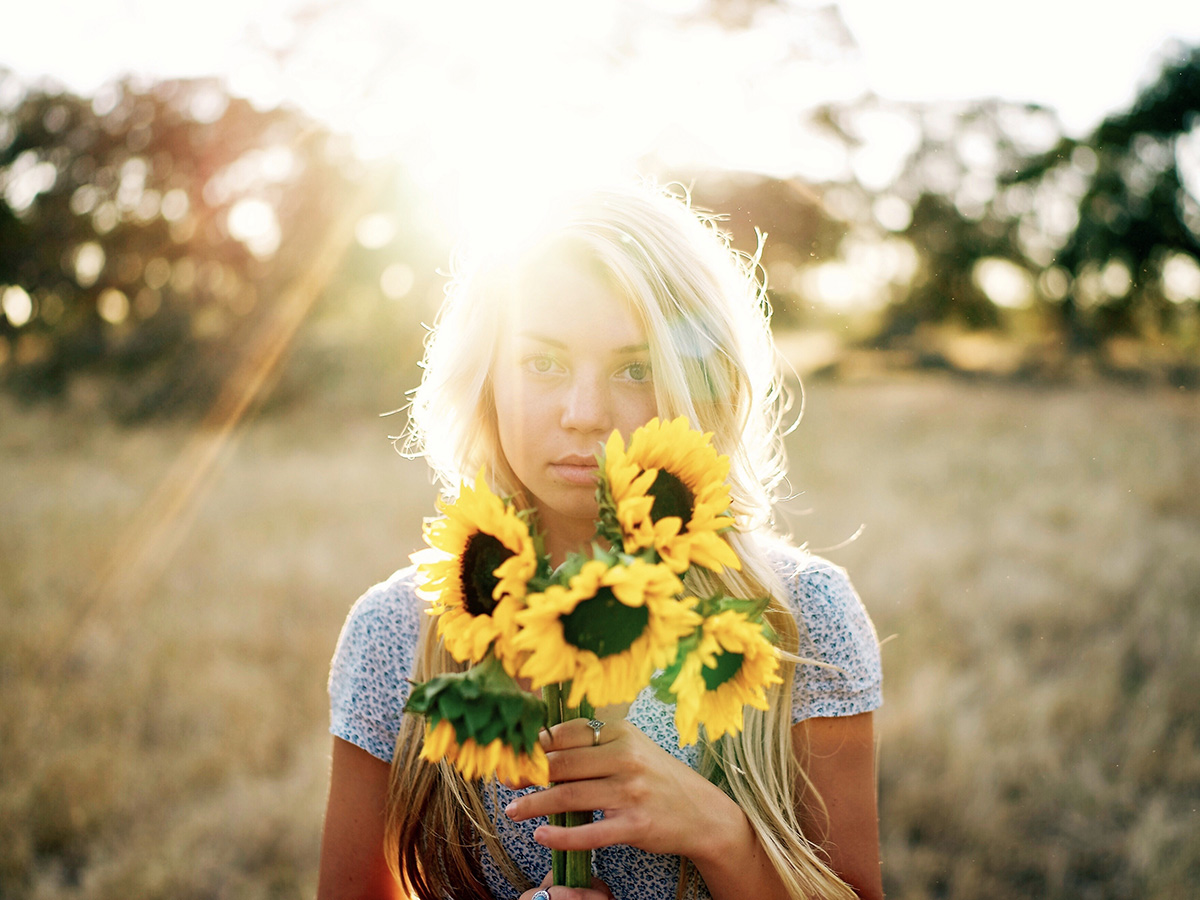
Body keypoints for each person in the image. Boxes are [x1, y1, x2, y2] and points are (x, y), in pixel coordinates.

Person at [317, 183, 884, 900]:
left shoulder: (797, 617)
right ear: (485, 375)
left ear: (702, 384)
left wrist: (722, 837)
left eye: (635, 369)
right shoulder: (398, 633)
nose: (584, 414)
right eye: (543, 363)